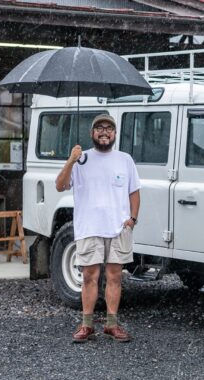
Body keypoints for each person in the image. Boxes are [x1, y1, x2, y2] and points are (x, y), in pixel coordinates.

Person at [55, 114, 140, 343]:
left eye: (109, 128)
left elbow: (134, 191)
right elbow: (60, 185)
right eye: (100, 128)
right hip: (89, 227)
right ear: (92, 133)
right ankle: (87, 325)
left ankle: (111, 325)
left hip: (118, 228)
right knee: (89, 276)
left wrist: (132, 219)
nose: (105, 132)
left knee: (114, 276)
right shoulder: (81, 159)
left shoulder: (125, 160)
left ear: (115, 133)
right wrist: (71, 160)